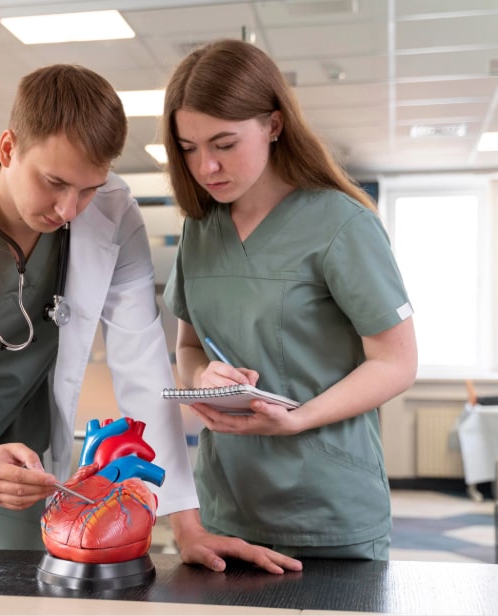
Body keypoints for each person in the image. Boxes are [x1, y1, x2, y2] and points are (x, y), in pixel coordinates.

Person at [0, 63, 300, 574]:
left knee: (26, 589)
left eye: (89, 188)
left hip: (15, 451)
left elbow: (142, 366)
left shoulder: (114, 213)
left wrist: (186, 522)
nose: (69, 208)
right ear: (8, 148)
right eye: (54, 182)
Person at [160, 39, 418, 560]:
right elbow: (188, 350)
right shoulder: (200, 230)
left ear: (274, 125)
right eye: (189, 148)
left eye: (224, 143)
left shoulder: (343, 225)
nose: (206, 165)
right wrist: (201, 378)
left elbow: (397, 361)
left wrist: (298, 417)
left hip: (328, 508)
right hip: (226, 507)